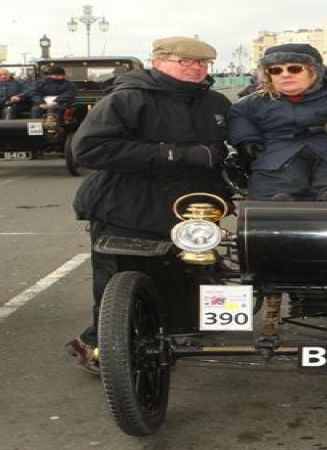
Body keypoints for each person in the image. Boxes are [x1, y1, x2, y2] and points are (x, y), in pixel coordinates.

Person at [65, 36, 232, 373]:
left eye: (201, 63)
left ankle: (175, 335)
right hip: (128, 205)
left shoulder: (215, 102)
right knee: (121, 281)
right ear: (157, 61)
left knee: (190, 272)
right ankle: (104, 346)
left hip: (192, 206)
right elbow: (89, 150)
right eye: (183, 61)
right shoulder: (127, 98)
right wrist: (173, 153)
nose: (194, 68)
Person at [227, 43, 327, 202]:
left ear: (314, 71)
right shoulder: (256, 100)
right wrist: (246, 139)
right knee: (276, 181)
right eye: (276, 70)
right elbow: (239, 116)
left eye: (294, 69)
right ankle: (277, 201)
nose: (285, 74)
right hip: (279, 149)